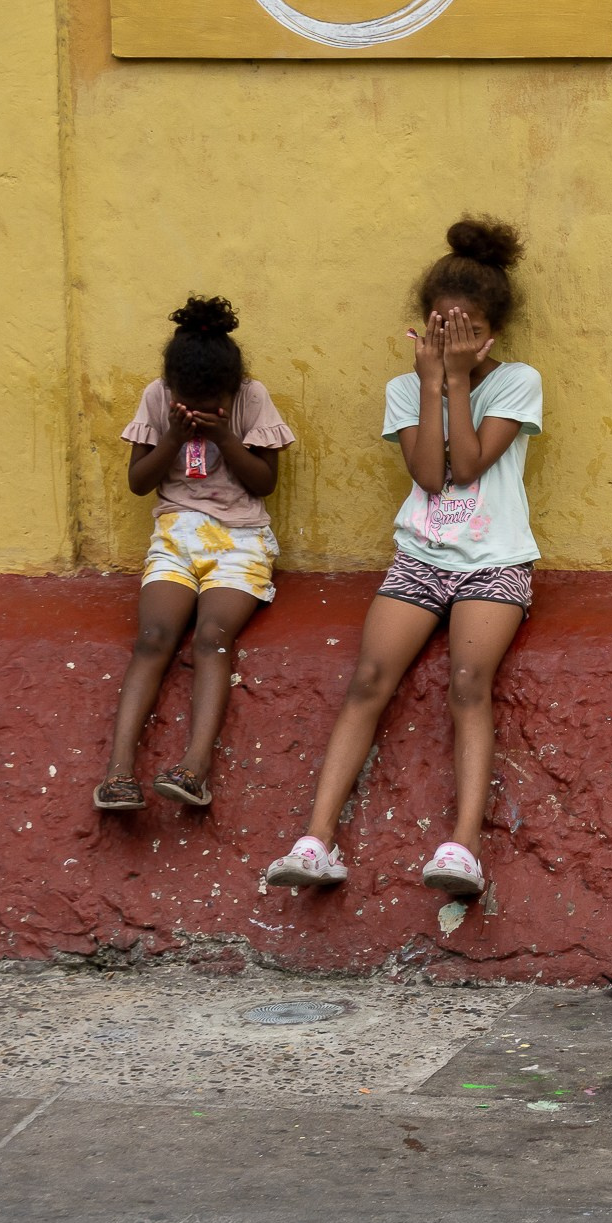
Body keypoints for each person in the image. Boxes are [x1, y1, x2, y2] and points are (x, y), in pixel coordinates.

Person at [262, 217, 542, 895]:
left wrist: (453, 381)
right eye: (439, 325)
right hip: (420, 555)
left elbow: (469, 465)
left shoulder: (516, 382)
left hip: (493, 559)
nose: (450, 338)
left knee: (468, 685)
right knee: (367, 680)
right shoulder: (402, 388)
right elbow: (426, 475)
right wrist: (428, 381)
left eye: (465, 327)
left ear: (490, 334)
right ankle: (316, 840)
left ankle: (463, 849)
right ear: (422, 326)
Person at [95, 296, 293, 812]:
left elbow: (264, 482)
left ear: (231, 389)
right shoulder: (158, 398)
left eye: (213, 401)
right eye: (189, 400)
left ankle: (195, 769)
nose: (200, 408)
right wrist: (173, 440)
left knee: (211, 638)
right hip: (176, 534)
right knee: (154, 637)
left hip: (240, 537)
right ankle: (118, 774)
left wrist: (225, 436)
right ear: (172, 388)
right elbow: (140, 482)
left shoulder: (251, 399)